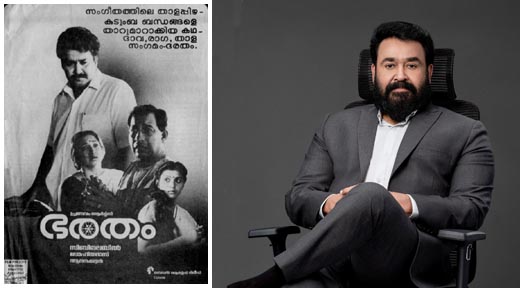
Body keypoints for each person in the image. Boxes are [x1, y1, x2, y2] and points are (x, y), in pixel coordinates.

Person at [230, 21, 494, 288]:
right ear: (373, 71)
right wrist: (331, 203)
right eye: (389, 65)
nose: (400, 75)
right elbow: (298, 197)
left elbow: (471, 208)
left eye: (411, 65)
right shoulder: (335, 125)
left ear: (429, 71)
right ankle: (287, 278)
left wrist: (409, 203)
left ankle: (272, 277)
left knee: (371, 193)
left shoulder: (466, 129)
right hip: (334, 261)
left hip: (408, 260)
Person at [18, 26, 136, 213]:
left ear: (95, 59)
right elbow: (51, 148)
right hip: (54, 205)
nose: (77, 70)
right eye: (70, 63)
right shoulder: (60, 99)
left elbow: (129, 151)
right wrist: (36, 188)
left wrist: (117, 200)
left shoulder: (117, 91)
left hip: (96, 205)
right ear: (62, 64)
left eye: (83, 62)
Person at [116, 104, 171, 217]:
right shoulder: (132, 170)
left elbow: (152, 220)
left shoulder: (170, 173)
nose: (138, 138)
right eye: (134, 130)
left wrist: (114, 208)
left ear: (163, 136)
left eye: (147, 130)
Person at [137, 161, 204, 255]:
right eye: (167, 180)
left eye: (178, 180)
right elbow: (142, 250)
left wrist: (198, 239)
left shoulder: (184, 213)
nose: (172, 186)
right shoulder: (150, 211)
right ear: (158, 183)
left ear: (183, 184)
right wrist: (185, 240)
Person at [59, 130, 123, 213]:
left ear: (102, 149)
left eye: (95, 145)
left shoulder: (118, 176)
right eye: (85, 148)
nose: (92, 151)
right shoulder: (71, 183)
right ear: (77, 154)